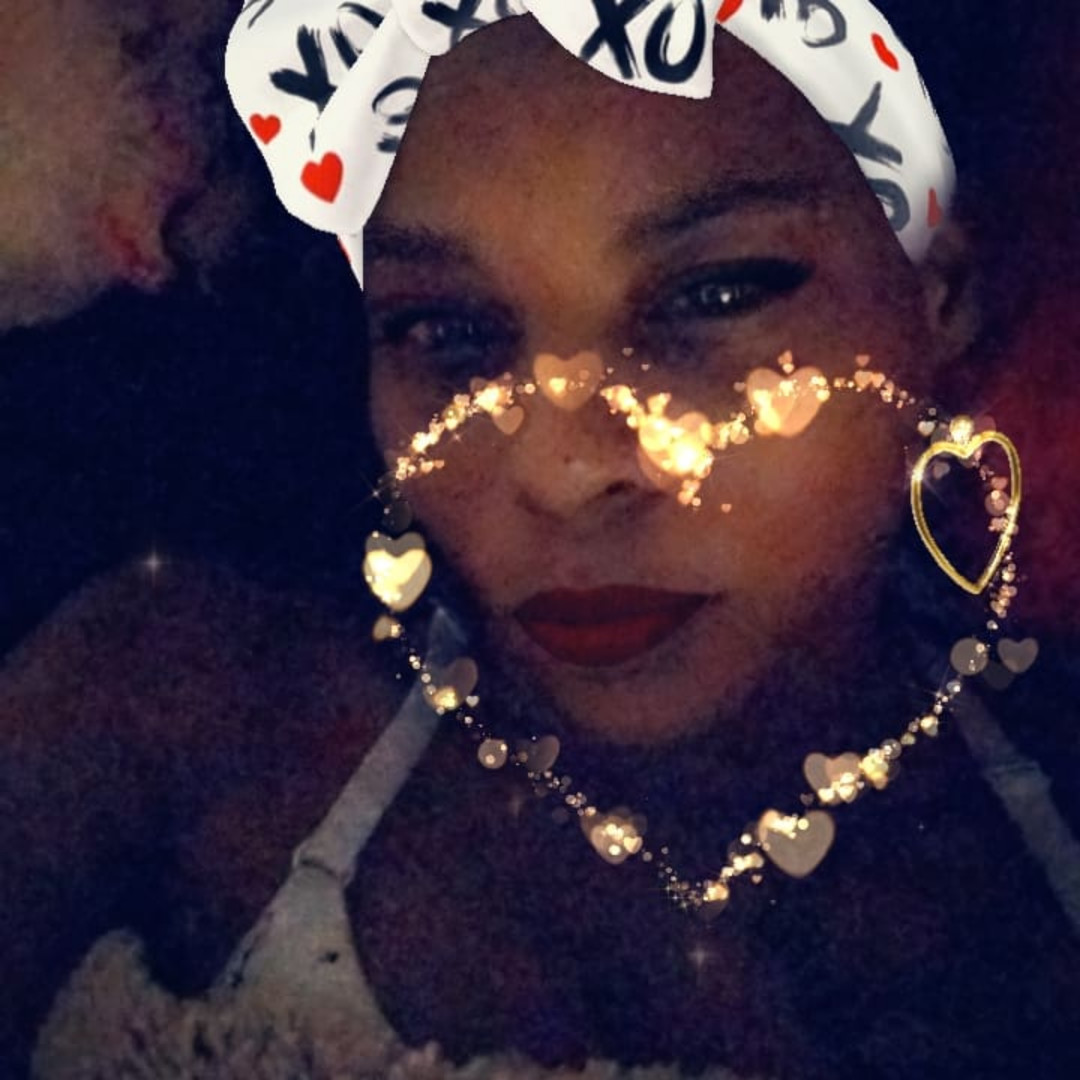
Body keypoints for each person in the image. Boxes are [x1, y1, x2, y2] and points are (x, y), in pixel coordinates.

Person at [4, 3, 1080, 1078]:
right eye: (449, 331)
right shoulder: (177, 713)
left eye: (712, 294)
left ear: (939, 296)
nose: (562, 471)